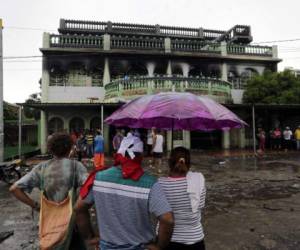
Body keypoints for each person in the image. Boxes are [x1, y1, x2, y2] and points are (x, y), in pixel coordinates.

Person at [75, 135, 174, 250]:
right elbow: (168, 220)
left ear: (119, 152)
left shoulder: (98, 177)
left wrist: (89, 237)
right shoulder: (150, 183)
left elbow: (79, 208)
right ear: (141, 156)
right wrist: (159, 246)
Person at [10, 132, 88, 249]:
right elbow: (89, 188)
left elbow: (14, 189)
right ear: (69, 148)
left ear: (50, 149)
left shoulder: (41, 168)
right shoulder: (76, 166)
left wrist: (36, 206)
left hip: (49, 222)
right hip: (72, 224)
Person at [159, 147, 206, 250]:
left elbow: (158, 214)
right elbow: (200, 206)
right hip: (196, 241)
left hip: (168, 241)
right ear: (188, 163)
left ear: (169, 163)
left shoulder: (160, 184)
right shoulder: (199, 180)